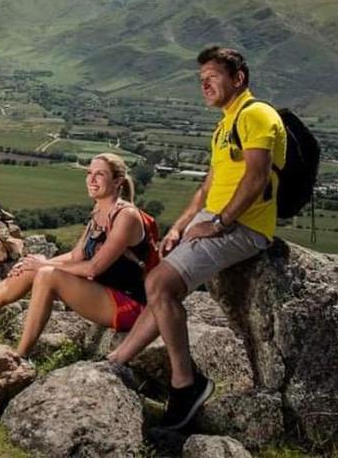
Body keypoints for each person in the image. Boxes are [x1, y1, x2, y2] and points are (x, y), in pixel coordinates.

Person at [106, 46, 286, 431]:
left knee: (159, 283)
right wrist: (180, 225)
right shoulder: (226, 123)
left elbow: (256, 177)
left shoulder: (256, 114)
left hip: (245, 227)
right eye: (200, 78)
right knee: (161, 289)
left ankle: (186, 384)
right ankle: (116, 362)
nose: (204, 83)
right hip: (215, 219)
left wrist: (219, 223)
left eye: (213, 76)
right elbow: (209, 185)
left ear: (238, 78)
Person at [0, 152, 152, 361]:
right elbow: (77, 254)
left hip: (129, 305)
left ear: (117, 181)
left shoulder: (126, 216)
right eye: (89, 174)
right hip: (104, 292)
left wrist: (45, 265)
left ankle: (19, 356)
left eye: (100, 174)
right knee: (32, 269)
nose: (91, 180)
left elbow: (92, 268)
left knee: (46, 274)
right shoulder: (99, 212)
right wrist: (33, 264)